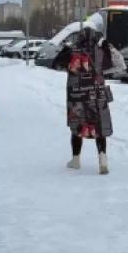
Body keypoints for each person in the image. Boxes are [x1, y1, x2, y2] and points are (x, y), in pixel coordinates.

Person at [52, 27, 113, 175]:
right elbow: (111, 66)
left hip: (77, 98)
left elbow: (55, 65)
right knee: (99, 128)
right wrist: (107, 49)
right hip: (97, 97)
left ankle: (76, 160)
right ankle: (103, 159)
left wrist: (64, 51)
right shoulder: (100, 52)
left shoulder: (73, 51)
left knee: (77, 127)